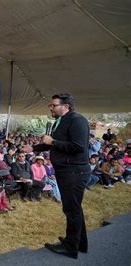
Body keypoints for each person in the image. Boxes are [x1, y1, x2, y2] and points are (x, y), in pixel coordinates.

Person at [23, 93, 90, 259]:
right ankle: (80, 243)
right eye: (50, 105)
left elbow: (78, 146)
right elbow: (54, 145)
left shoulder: (77, 120)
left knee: (71, 210)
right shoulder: (61, 121)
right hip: (68, 171)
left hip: (74, 172)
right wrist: (34, 149)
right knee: (75, 209)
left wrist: (52, 142)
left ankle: (70, 247)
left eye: (54, 105)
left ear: (65, 106)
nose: (51, 108)